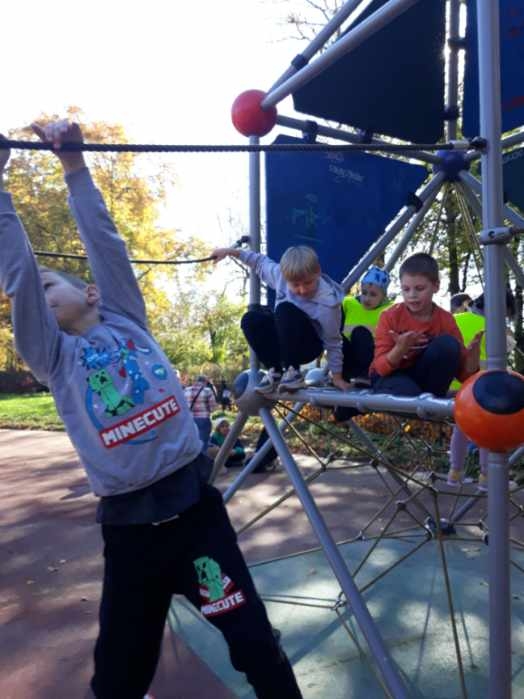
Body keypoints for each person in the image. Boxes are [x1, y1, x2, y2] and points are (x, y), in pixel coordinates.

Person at [0, 121, 302, 699]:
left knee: (255, 643)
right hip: (132, 537)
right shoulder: (54, 358)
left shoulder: (126, 319)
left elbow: (106, 247)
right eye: (37, 295)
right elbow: (17, 275)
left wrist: (74, 169)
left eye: (50, 286)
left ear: (91, 293)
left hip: (197, 522)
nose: (40, 295)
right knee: (118, 677)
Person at [211, 245, 351, 393]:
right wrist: (229, 251)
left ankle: (293, 372)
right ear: (285, 278)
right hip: (284, 342)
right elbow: (258, 262)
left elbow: (333, 343)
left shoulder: (328, 304)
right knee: (250, 319)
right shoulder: (279, 276)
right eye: (295, 285)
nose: (302, 290)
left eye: (308, 283)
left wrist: (337, 378)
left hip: (308, 347)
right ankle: (275, 371)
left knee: (285, 309)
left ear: (318, 272)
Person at [370, 253, 482, 397]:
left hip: (422, 378)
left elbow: (464, 377)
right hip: (389, 376)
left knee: (447, 343)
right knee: (408, 393)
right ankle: (418, 400)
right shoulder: (390, 316)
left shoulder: (445, 320)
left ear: (436, 286)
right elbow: (380, 369)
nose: (412, 295)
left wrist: (472, 360)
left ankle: (429, 398)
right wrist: (400, 349)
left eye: (419, 288)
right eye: (406, 289)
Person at [447, 289, 516, 489]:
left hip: (450, 388)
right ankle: (487, 475)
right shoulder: (494, 327)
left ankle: (455, 472)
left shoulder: (455, 319)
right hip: (479, 392)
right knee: (489, 429)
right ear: (502, 309)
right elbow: (509, 347)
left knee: (460, 427)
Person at [184, 374, 217, 450]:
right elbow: (213, 408)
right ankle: (202, 456)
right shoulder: (207, 391)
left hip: (189, 420)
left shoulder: (186, 390)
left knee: (191, 442)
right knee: (203, 442)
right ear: (205, 382)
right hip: (203, 420)